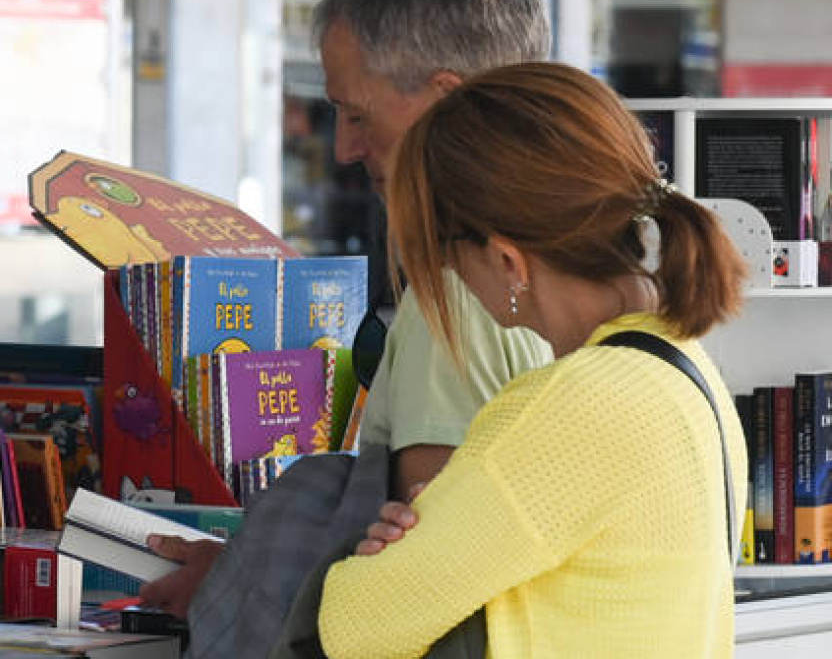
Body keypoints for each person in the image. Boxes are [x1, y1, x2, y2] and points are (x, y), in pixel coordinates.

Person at [140, 0, 554, 620]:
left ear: (445, 103)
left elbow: (423, 580)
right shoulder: (568, 258)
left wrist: (242, 584)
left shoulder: (462, 295)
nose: (343, 149)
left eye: (356, 114)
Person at [317, 62, 747, 658]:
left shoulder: (566, 406)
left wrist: (397, 548)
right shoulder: (682, 367)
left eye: (446, 248)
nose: (447, 274)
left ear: (508, 261)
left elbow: (351, 626)